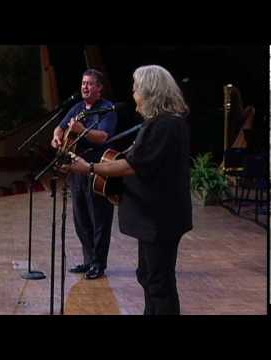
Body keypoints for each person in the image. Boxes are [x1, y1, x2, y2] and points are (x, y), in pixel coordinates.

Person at [63, 65, 192, 314]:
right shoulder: (163, 123)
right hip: (157, 217)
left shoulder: (164, 125)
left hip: (160, 218)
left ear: (150, 91)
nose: (133, 93)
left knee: (158, 282)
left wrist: (89, 168)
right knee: (148, 276)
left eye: (136, 88)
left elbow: (133, 164)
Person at [51, 69, 118, 280]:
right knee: (80, 218)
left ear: (99, 88)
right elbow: (59, 128)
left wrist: (81, 130)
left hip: (98, 168)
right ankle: (89, 260)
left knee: (99, 218)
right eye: (83, 83)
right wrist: (57, 138)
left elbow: (103, 137)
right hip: (76, 168)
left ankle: (99, 263)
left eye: (89, 84)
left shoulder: (107, 109)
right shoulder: (77, 107)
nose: (84, 87)